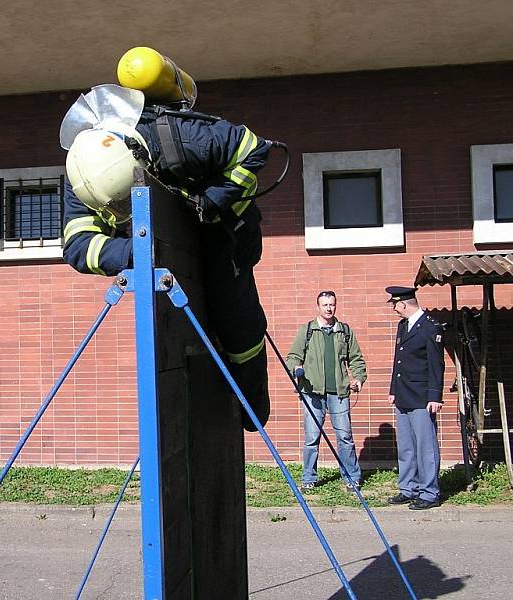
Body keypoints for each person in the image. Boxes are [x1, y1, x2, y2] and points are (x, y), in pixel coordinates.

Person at [60, 78, 284, 432]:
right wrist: (141, 250)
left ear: (140, 160)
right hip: (174, 260)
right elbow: (77, 245)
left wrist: (214, 199)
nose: (123, 213)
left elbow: (253, 149)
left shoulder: (179, 135)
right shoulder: (86, 175)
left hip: (227, 233)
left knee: (237, 319)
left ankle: (252, 406)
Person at [285, 291, 366, 491]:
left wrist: (357, 378)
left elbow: (356, 360)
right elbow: (293, 357)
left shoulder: (345, 331)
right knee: (312, 438)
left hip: (339, 393)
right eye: (325, 305)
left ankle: (351, 477)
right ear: (318, 307)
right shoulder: (307, 331)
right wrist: (296, 368)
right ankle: (308, 478)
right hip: (312, 393)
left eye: (332, 304)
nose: (329, 308)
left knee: (345, 437)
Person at [385, 286, 445, 510]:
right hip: (403, 395)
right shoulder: (404, 326)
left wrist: (435, 396)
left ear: (404, 304)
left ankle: (430, 493)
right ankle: (408, 488)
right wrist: (393, 389)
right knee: (406, 447)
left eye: (395, 305)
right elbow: (398, 360)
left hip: (421, 397)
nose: (394, 309)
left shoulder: (429, 327)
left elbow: (436, 365)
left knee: (425, 447)